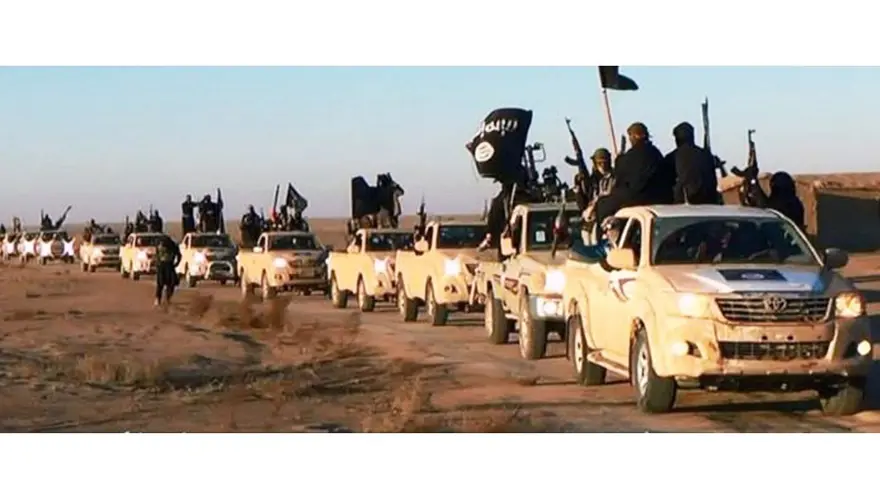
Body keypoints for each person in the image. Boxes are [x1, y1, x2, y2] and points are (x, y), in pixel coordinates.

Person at [593, 122, 671, 226]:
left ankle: (607, 231)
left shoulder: (627, 158)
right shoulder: (657, 154)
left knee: (602, 204)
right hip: (661, 197)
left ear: (633, 137)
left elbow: (620, 180)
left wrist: (618, 161)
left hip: (635, 198)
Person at [664, 122, 718, 204]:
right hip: (709, 201)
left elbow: (666, 182)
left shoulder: (672, 157)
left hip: (683, 203)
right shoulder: (706, 155)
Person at [154, 234, 182, 307]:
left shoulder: (172, 246)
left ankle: (164, 298)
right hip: (166, 265)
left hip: (166, 265)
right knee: (164, 283)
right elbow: (156, 255)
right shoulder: (162, 245)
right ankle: (161, 298)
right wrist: (176, 263)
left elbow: (179, 255)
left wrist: (176, 263)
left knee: (167, 283)